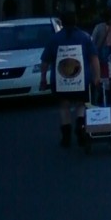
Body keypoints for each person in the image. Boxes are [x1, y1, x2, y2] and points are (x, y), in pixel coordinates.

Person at [40, 10, 101, 147]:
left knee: (64, 106)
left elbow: (45, 62)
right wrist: (97, 76)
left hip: (60, 79)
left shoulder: (54, 39)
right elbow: (94, 59)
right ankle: (80, 126)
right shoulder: (85, 37)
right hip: (82, 78)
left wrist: (43, 78)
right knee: (81, 103)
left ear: (61, 23)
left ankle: (66, 136)